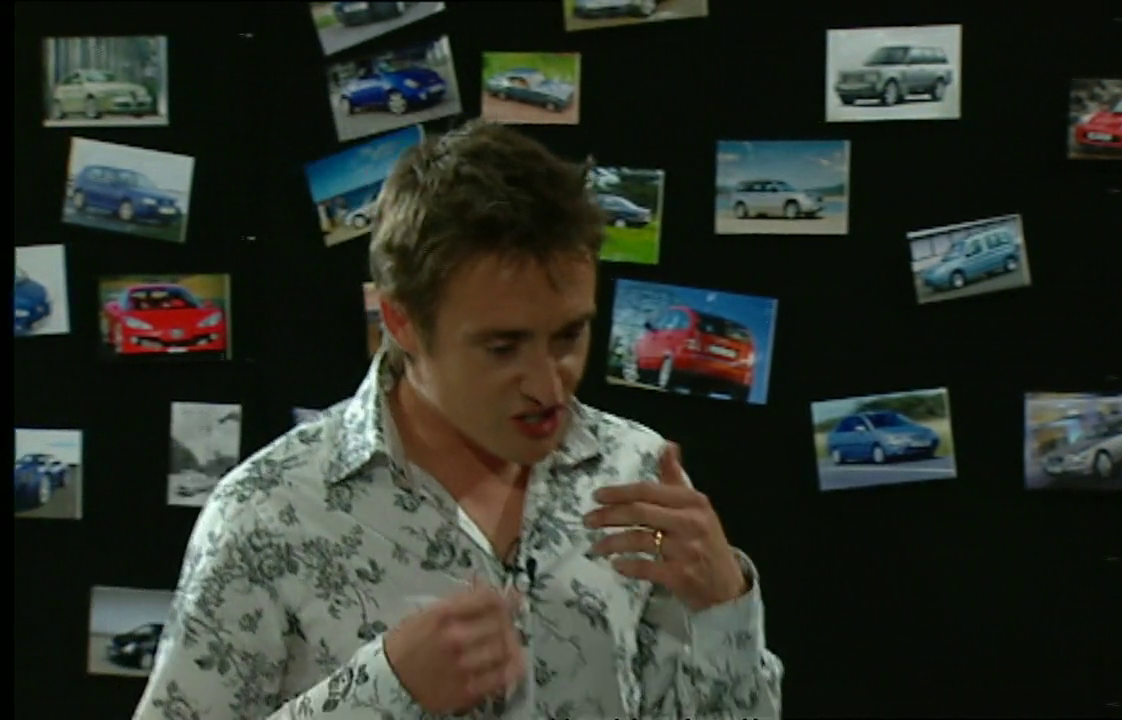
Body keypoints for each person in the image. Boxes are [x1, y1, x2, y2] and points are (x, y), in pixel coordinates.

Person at [132, 119, 783, 720]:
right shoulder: (268, 511)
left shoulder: (635, 473)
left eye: (568, 336)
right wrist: (383, 692)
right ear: (401, 322)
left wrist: (725, 606)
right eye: (503, 347)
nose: (547, 385)